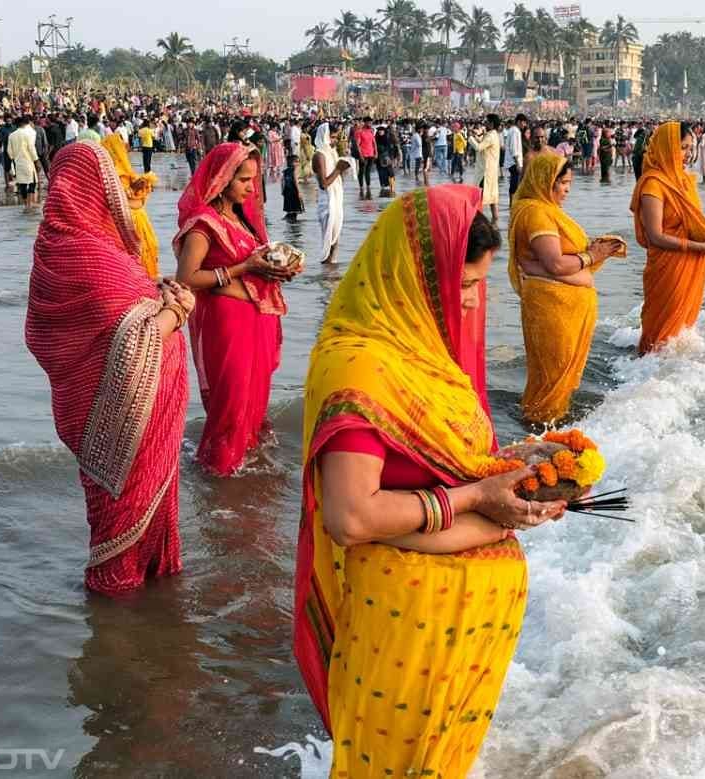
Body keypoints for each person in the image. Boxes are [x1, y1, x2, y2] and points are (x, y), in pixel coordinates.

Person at [293, 185, 566, 779]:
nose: (472, 304)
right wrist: (478, 497)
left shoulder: (425, 352)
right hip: (404, 628)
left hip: (461, 631)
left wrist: (522, 469)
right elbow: (350, 516)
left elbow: (439, 457)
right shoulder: (360, 366)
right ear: (412, 278)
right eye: (464, 286)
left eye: (478, 287)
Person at [25, 141, 193, 596]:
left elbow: (98, 322)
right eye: (108, 183)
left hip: (111, 412)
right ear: (93, 189)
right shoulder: (90, 253)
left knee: (118, 513)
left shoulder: (52, 248)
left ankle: (138, 616)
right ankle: (117, 616)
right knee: (125, 521)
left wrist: (155, 294)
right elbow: (137, 334)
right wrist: (178, 312)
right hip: (128, 420)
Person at [173, 143, 297, 476]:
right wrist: (245, 267)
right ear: (222, 179)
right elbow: (186, 278)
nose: (250, 188)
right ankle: (218, 474)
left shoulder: (240, 220)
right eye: (243, 180)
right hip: (228, 324)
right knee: (230, 407)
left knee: (253, 406)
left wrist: (274, 270)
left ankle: (241, 482)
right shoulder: (204, 223)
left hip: (256, 321)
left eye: (253, 180)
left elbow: (252, 264)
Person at [508, 152, 622, 424]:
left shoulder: (546, 211)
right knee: (551, 379)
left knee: (555, 381)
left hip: (565, 309)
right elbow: (556, 264)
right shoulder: (536, 213)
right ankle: (539, 433)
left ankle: (546, 427)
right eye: (563, 183)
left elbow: (548, 262)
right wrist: (593, 255)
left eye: (569, 183)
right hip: (552, 310)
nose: (567, 189)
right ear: (546, 181)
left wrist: (594, 251)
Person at [631, 122, 705, 355]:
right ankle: (644, 379)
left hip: (693, 263)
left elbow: (692, 221)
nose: (688, 154)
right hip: (669, 267)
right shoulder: (653, 184)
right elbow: (655, 236)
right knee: (660, 337)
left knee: (681, 335)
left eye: (690, 148)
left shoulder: (684, 180)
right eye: (683, 148)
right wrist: (699, 246)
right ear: (666, 147)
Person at [102, 133, 161, 279]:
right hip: (129, 222)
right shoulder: (114, 174)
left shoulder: (123, 170)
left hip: (135, 222)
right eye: (122, 145)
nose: (126, 148)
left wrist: (140, 187)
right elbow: (125, 202)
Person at [312, 123, 350, 264]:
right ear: (325, 136)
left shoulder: (331, 153)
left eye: (336, 137)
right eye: (332, 137)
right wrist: (339, 169)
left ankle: (330, 276)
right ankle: (326, 276)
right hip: (327, 203)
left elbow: (337, 180)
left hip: (336, 201)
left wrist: (343, 169)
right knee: (329, 244)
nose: (335, 140)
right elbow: (324, 184)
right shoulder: (319, 155)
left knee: (335, 242)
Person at [468, 115, 502, 225]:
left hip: (485, 173)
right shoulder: (493, 135)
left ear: (491, 124)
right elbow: (483, 143)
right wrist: (476, 136)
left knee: (477, 199)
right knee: (492, 199)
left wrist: (470, 138)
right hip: (490, 172)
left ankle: (477, 223)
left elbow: (478, 147)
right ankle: (494, 224)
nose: (485, 124)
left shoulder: (491, 136)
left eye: (487, 122)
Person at [7, 115, 40, 211]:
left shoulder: (11, 135)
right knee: (32, 182)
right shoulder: (26, 134)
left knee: (22, 183)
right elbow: (31, 148)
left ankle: (26, 203)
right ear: (22, 124)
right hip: (28, 161)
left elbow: (9, 151)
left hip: (18, 162)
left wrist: (14, 158)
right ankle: (30, 203)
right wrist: (36, 160)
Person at [355, 117, 376, 200]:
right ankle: (361, 186)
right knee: (361, 171)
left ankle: (368, 186)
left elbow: (373, 142)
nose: (370, 124)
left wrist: (376, 152)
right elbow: (357, 144)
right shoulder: (359, 132)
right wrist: (360, 155)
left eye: (371, 123)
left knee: (368, 171)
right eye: (369, 123)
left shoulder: (371, 131)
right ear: (365, 123)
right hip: (363, 154)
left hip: (371, 154)